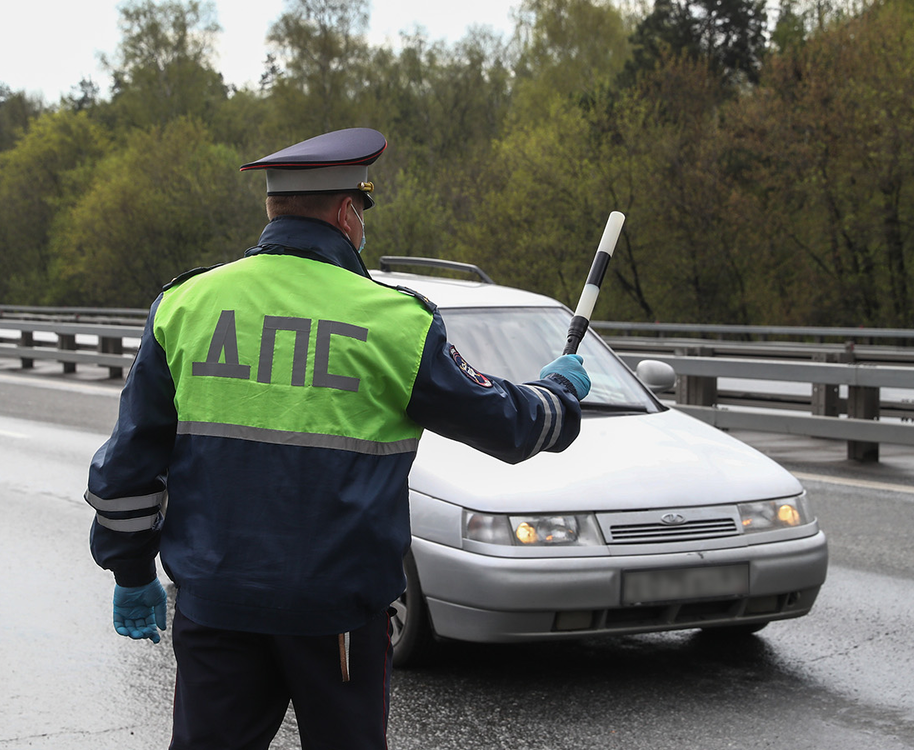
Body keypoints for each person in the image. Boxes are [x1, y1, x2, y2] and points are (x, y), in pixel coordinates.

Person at [85, 127, 590, 749]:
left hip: (216, 604)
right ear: (348, 211)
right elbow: (509, 426)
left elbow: (129, 464)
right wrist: (558, 396)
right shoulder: (393, 320)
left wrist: (130, 569)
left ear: (274, 207)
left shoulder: (185, 304)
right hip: (338, 615)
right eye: (362, 210)